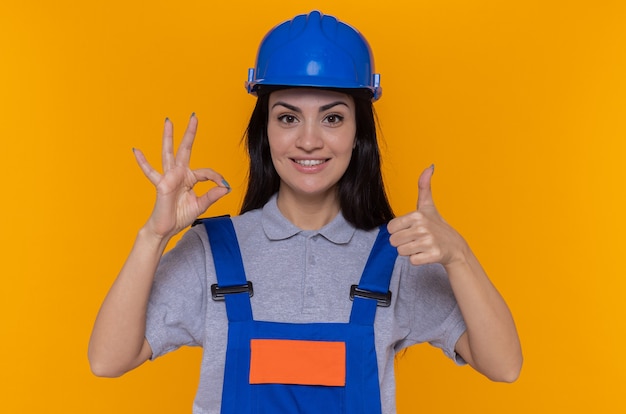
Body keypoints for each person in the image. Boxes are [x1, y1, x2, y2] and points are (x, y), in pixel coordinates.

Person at [88, 10, 522, 414]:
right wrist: (154, 236)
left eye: (332, 118)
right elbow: (108, 360)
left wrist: (459, 256)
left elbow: (504, 366)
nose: (309, 141)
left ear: (358, 135)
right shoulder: (213, 250)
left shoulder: (396, 255)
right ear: (266, 132)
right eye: (288, 118)